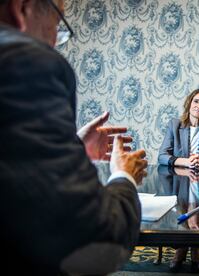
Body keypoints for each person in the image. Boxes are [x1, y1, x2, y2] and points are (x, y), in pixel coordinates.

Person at [0, 0, 147, 274]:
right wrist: (123, 174)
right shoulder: (25, 61)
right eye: (59, 24)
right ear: (22, 9)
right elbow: (97, 242)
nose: (55, 42)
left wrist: (75, 146)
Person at [157, 165, 199, 272]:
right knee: (185, 205)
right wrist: (186, 162)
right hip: (179, 176)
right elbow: (163, 156)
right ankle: (188, 246)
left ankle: (190, 246)